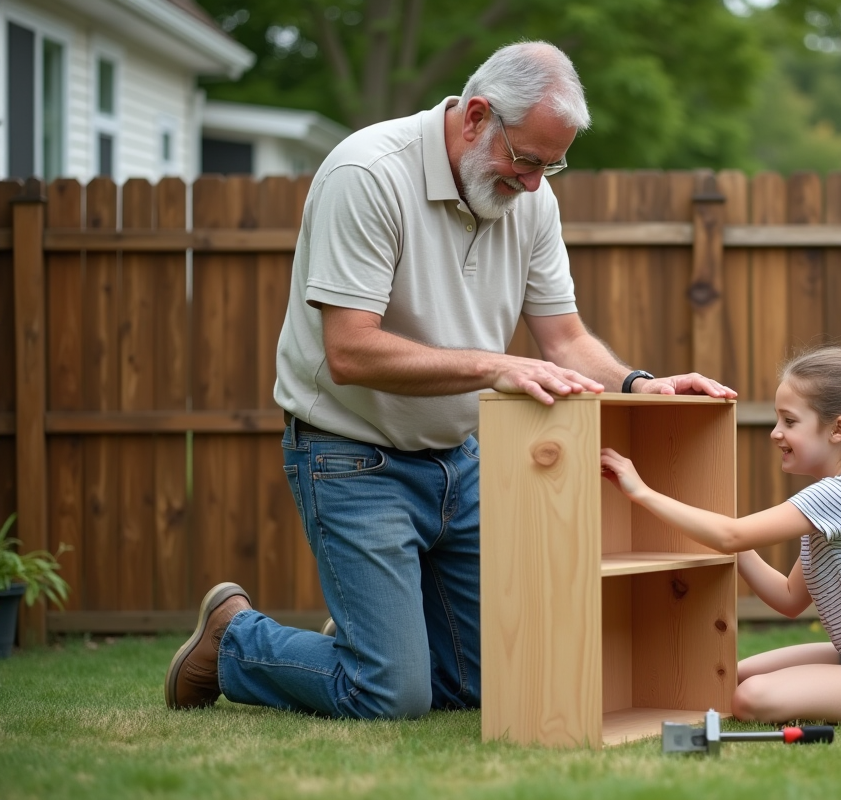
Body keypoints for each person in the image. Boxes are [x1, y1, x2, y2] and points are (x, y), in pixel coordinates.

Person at [165, 41, 735, 719]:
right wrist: (497, 366)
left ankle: (379, 637)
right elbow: (350, 351)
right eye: (526, 160)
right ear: (476, 117)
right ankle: (234, 640)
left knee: (495, 683)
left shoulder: (530, 199)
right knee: (389, 695)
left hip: (460, 463)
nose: (534, 184)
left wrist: (640, 384)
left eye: (551, 166)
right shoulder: (368, 173)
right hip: (351, 456)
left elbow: (565, 339)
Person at [599, 344, 841, 727]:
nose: (776, 433)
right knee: (728, 677)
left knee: (749, 698)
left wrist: (641, 492)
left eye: (789, 421)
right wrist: (722, 534)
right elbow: (789, 598)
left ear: (838, 430)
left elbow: (731, 536)